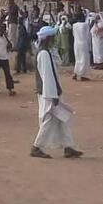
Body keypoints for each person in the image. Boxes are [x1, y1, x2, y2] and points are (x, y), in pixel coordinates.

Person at [31, 25, 83, 160]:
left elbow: (58, 65)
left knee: (62, 118)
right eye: (53, 38)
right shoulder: (43, 54)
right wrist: (53, 96)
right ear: (48, 38)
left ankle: (68, 147)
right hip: (49, 93)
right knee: (50, 119)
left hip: (52, 91)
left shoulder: (47, 52)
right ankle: (37, 146)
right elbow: (47, 76)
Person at [72, 14, 91, 82]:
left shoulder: (74, 25)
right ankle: (82, 75)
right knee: (84, 59)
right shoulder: (85, 25)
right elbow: (87, 35)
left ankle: (76, 72)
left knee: (78, 58)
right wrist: (89, 45)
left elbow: (73, 34)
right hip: (83, 43)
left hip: (76, 43)